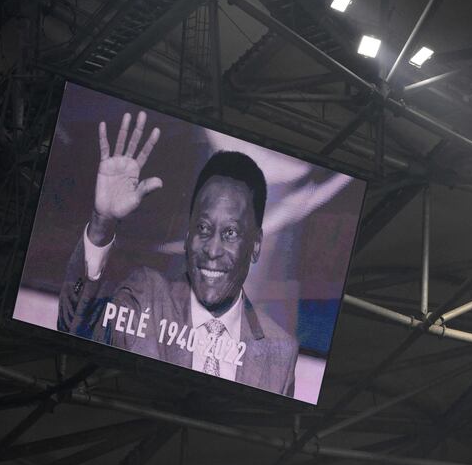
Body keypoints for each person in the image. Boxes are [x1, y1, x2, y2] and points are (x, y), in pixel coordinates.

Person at [57, 111, 298, 396]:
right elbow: (73, 328)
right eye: (203, 228)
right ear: (187, 236)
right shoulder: (146, 295)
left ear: (255, 245)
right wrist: (102, 223)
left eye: (231, 233)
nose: (212, 249)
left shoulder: (280, 351)